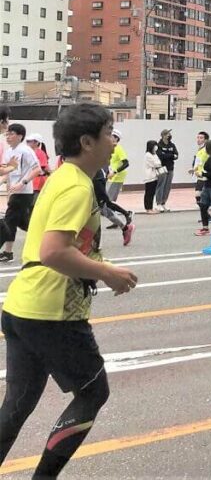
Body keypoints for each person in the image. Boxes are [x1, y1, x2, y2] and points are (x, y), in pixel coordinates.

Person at [0, 103, 138, 478]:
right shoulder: (76, 186)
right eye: (109, 134)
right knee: (93, 392)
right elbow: (53, 252)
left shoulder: (65, 178)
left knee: (20, 400)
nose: (113, 142)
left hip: (22, 306)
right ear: (86, 141)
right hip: (52, 312)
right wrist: (107, 273)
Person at [0, 123, 42, 262]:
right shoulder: (8, 152)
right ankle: (46, 237)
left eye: (11, 134)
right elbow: (7, 174)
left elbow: (37, 169)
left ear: (20, 136)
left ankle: (7, 252)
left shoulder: (26, 151)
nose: (8, 137)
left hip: (24, 192)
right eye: (7, 134)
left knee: (9, 221)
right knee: (23, 222)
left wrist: (22, 183)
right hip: (14, 192)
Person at [154, 129, 178, 212]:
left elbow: (176, 155)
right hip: (161, 168)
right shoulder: (159, 145)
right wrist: (171, 156)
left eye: (169, 134)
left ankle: (164, 203)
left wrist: (168, 155)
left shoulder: (172, 145)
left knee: (167, 186)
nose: (169, 136)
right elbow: (160, 155)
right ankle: (158, 203)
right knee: (161, 185)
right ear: (163, 135)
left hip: (170, 168)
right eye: (167, 134)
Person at [106, 130, 129, 204]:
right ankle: (109, 212)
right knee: (108, 197)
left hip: (117, 176)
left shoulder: (118, 149)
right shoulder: (110, 148)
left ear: (116, 138)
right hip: (111, 175)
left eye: (111, 136)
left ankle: (110, 213)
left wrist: (115, 172)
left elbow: (126, 163)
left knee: (110, 198)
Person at [26, 134, 51, 199]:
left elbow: (43, 167)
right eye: (27, 141)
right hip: (30, 181)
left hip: (38, 182)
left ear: (36, 142)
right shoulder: (28, 152)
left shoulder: (40, 153)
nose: (27, 142)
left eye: (29, 141)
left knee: (34, 202)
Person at [142, 141, 163, 214]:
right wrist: (158, 164)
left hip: (155, 176)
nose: (156, 147)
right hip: (149, 177)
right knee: (149, 193)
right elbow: (155, 164)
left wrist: (158, 164)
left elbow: (159, 162)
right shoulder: (148, 155)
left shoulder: (154, 154)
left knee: (152, 192)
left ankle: (151, 207)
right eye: (154, 146)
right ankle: (148, 208)